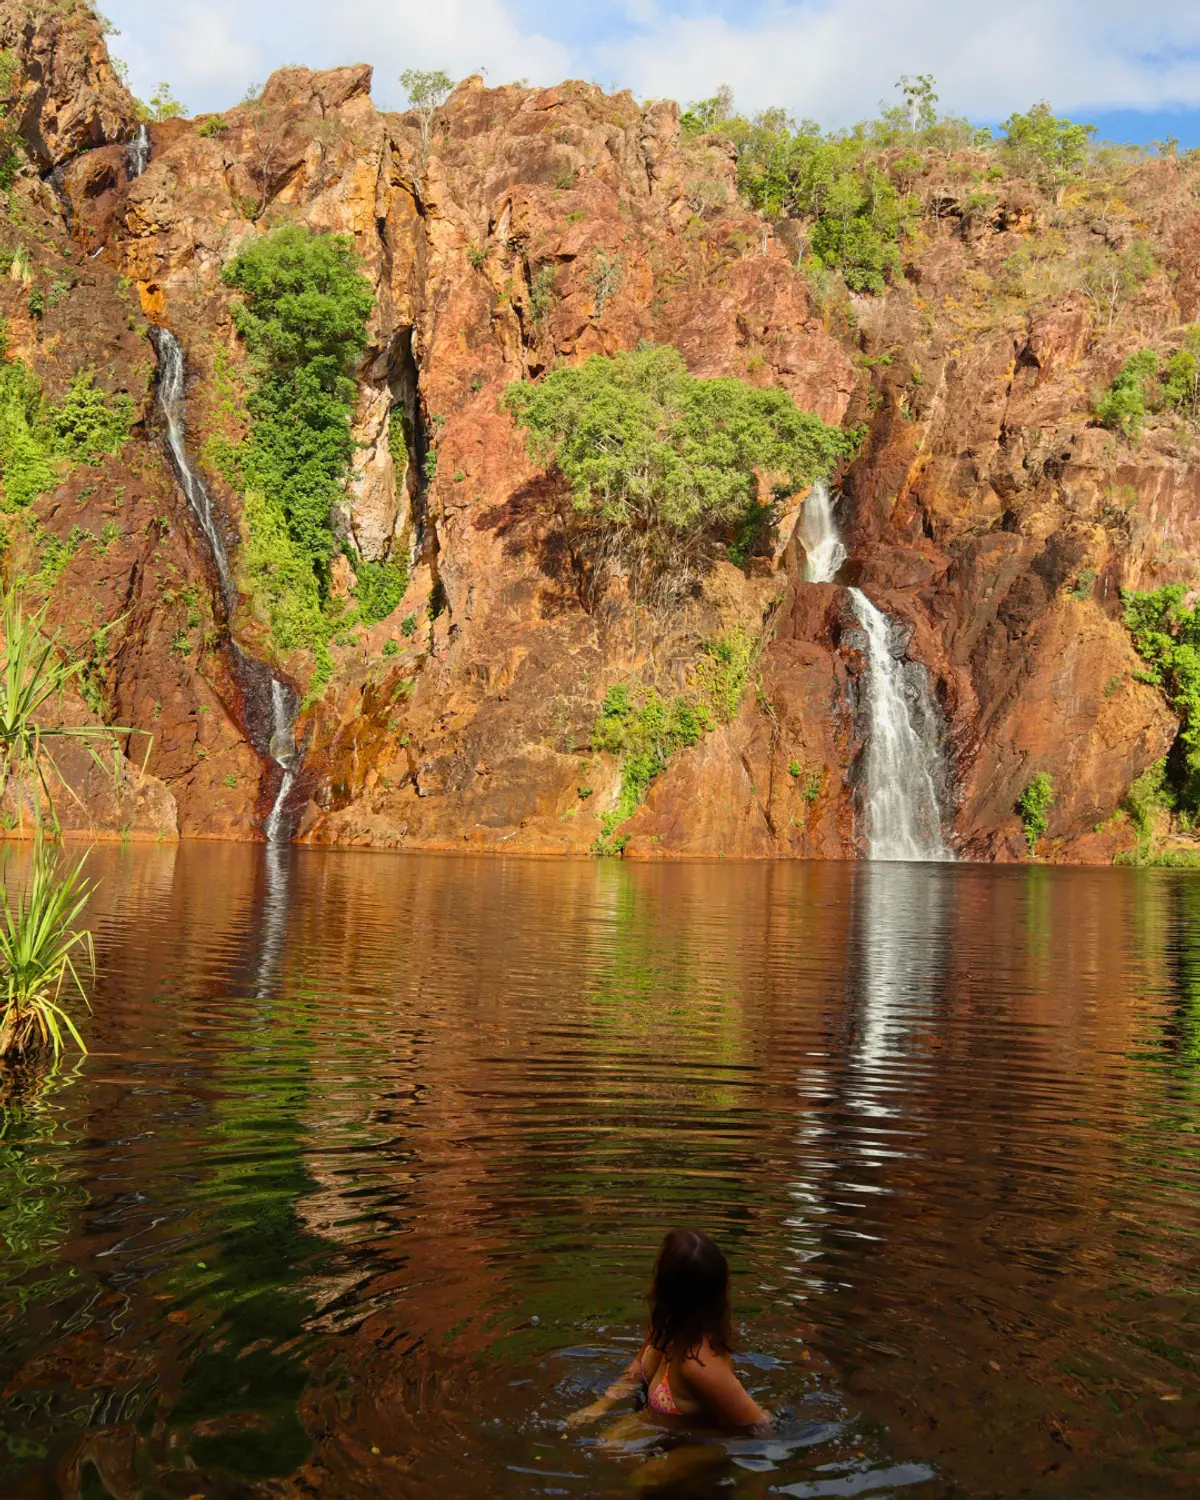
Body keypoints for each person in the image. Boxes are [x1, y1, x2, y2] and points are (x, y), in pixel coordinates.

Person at [569, 1228, 767, 1430]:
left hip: (699, 1440)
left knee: (610, 1452)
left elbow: (761, 1426)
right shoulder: (666, 1323)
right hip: (656, 1423)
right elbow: (638, 1365)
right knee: (605, 1447)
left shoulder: (701, 1364)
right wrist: (602, 1405)